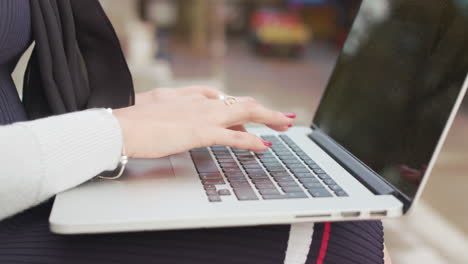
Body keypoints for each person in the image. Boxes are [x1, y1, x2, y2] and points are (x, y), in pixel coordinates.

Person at [0, 1, 389, 263]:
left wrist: (137, 115)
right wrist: (116, 131)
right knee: (348, 237)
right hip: (15, 214)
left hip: (35, 177)